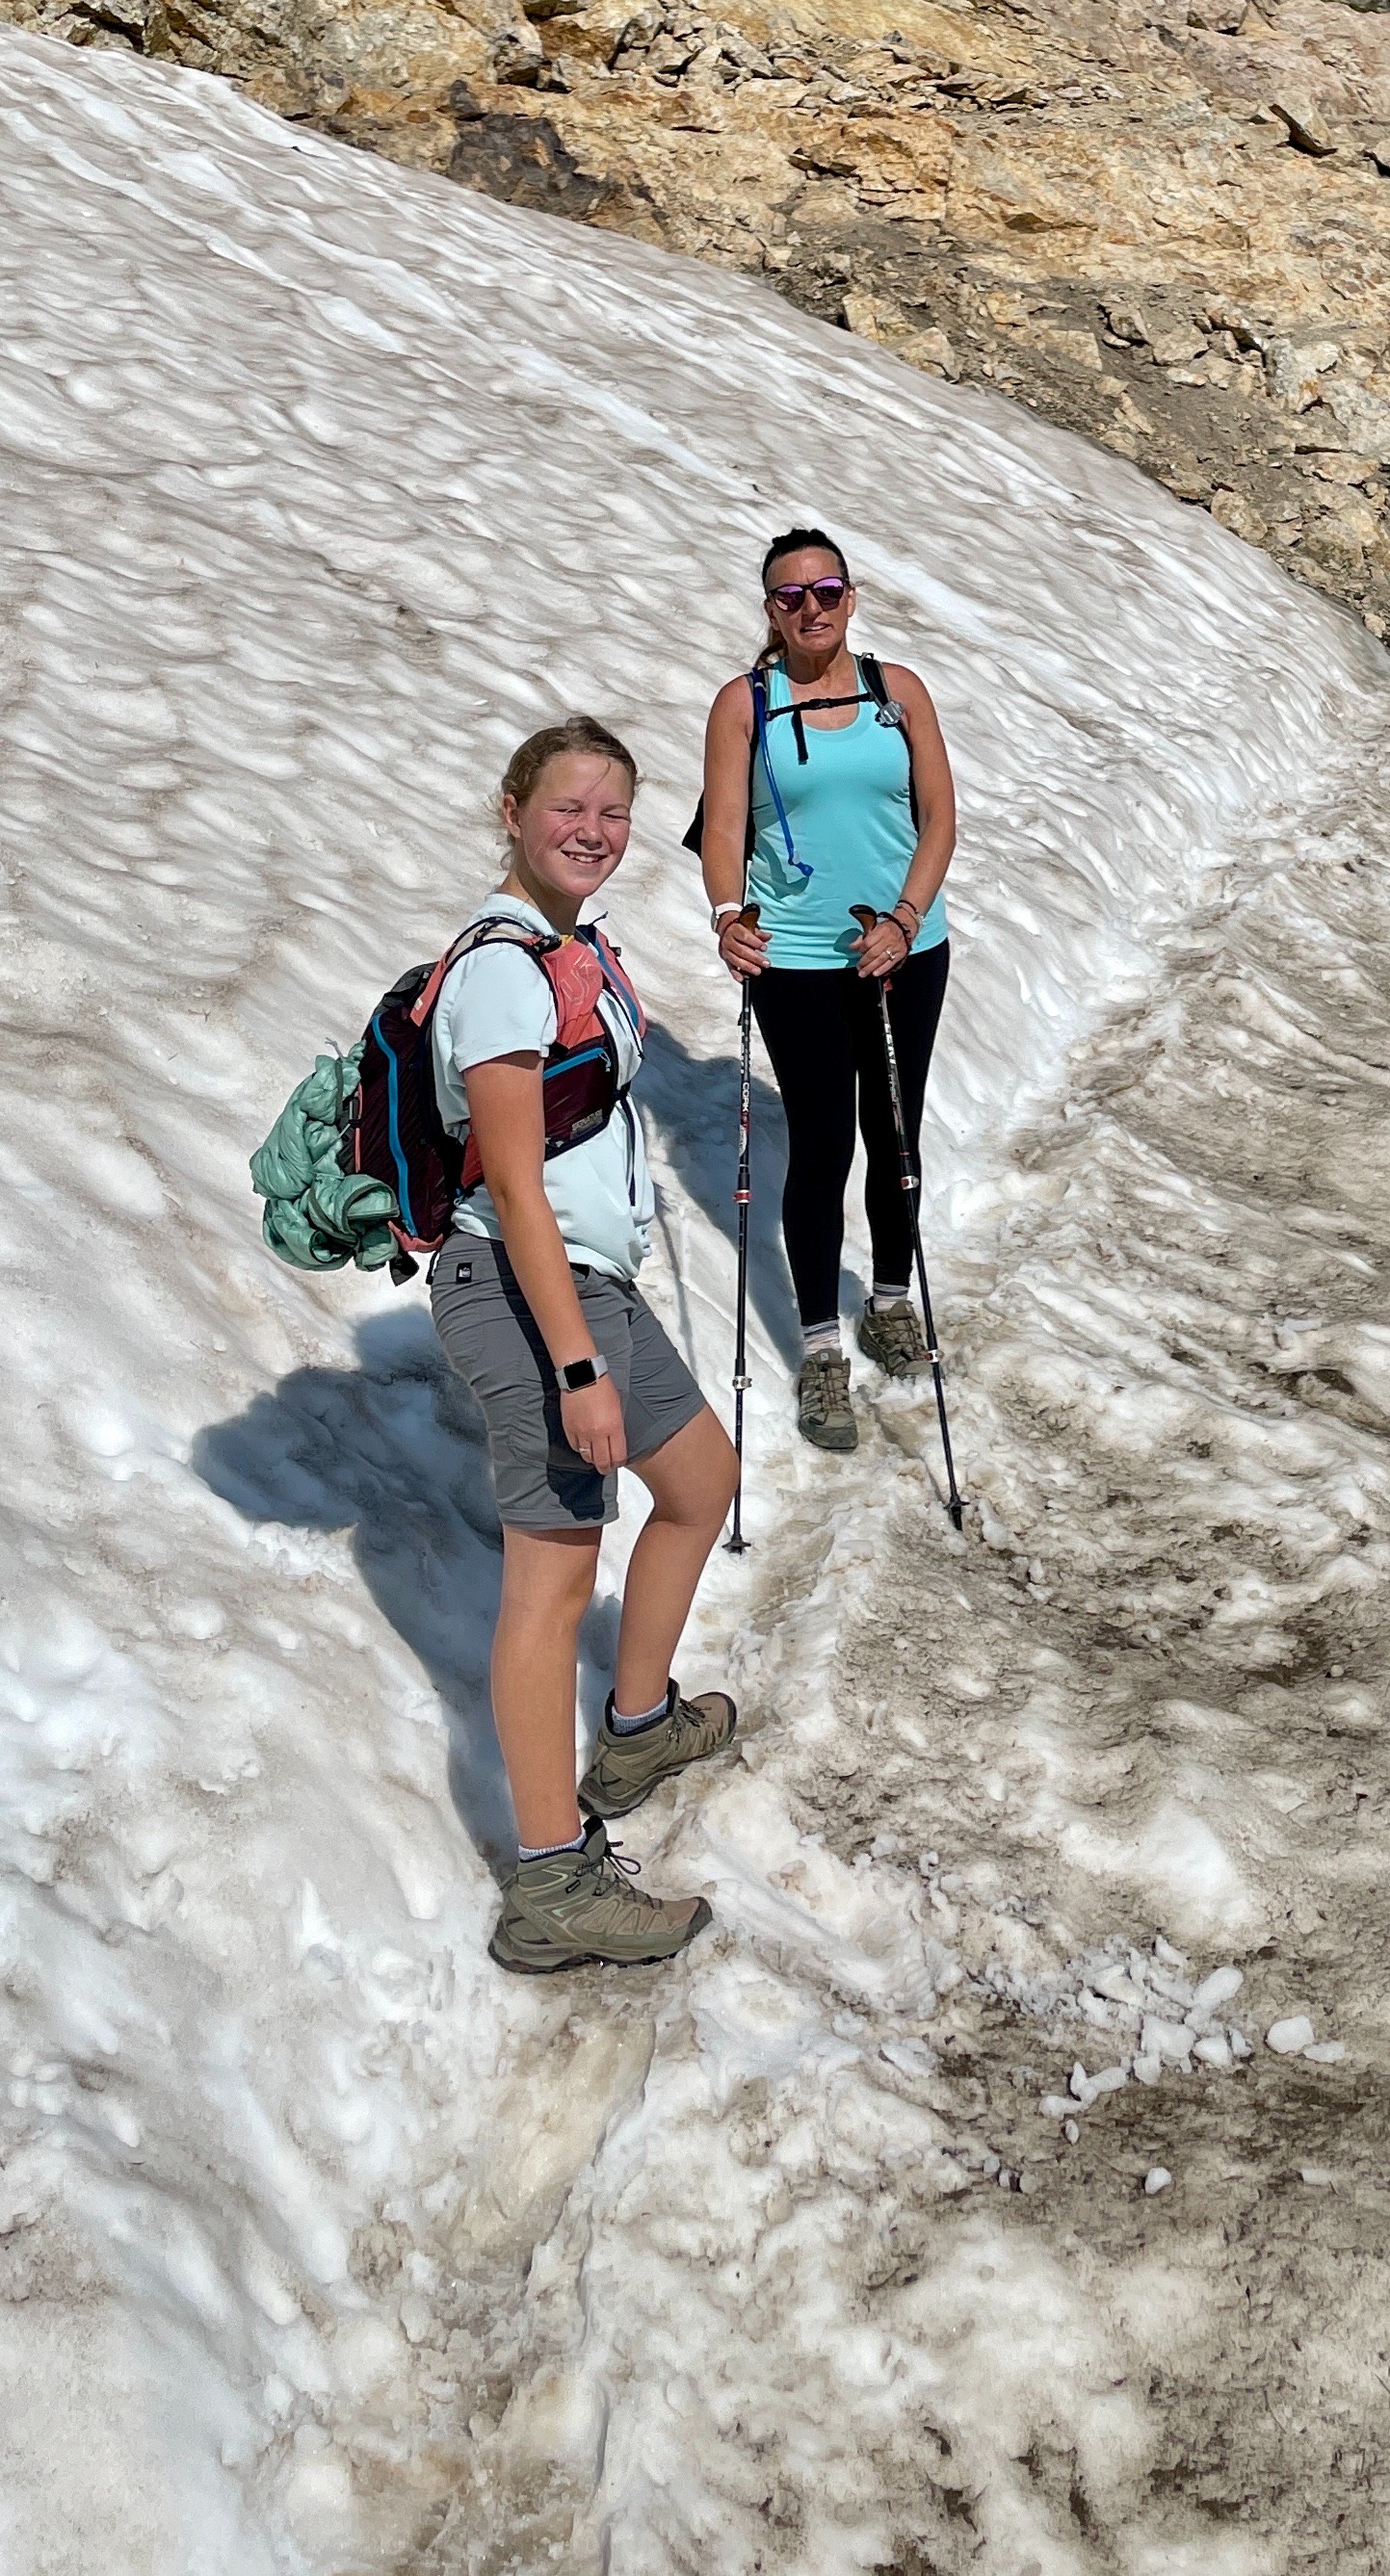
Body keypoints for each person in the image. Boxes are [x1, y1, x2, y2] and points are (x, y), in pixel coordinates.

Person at [428, 716, 741, 1972]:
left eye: (613, 812)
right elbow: (510, 1185)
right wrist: (573, 1366)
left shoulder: (573, 949)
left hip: (587, 1280)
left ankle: (637, 1724)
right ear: (512, 809)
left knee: (700, 1480)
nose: (594, 831)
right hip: (523, 1291)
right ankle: (551, 1881)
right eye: (569, 807)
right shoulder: (501, 967)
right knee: (551, 1581)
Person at [699, 531, 957, 1452]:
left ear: (852, 596)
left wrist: (903, 918)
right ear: (769, 609)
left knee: (896, 1126)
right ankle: (819, 1348)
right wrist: (729, 912)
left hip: (906, 947)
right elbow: (724, 824)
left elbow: (939, 820)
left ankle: (890, 1301)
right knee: (820, 1141)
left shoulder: (901, 692)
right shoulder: (746, 705)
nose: (811, 607)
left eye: (828, 588)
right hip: (799, 956)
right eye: (789, 595)